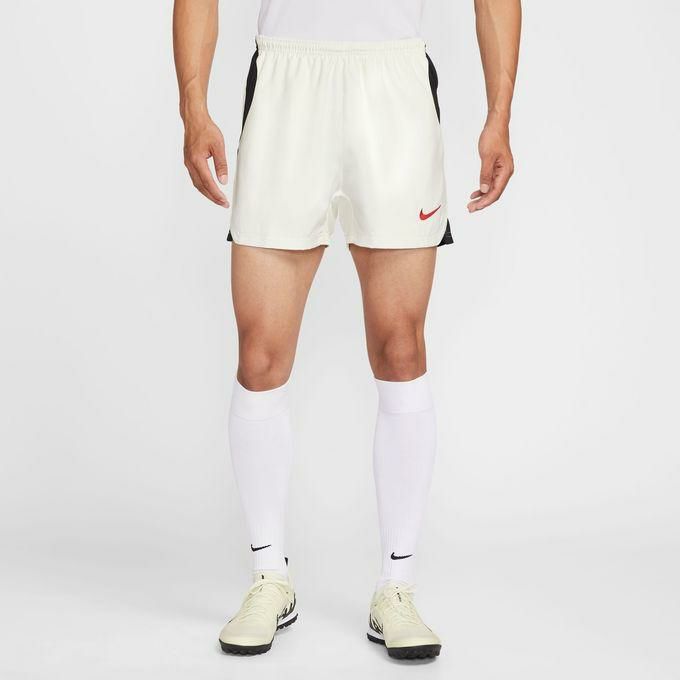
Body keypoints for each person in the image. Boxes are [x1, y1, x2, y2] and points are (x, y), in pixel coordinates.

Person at [173, 0, 520, 661]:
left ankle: (397, 587)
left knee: (401, 346)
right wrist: (193, 109)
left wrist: (498, 115)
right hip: (286, 81)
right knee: (260, 354)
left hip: (393, 84)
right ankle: (269, 576)